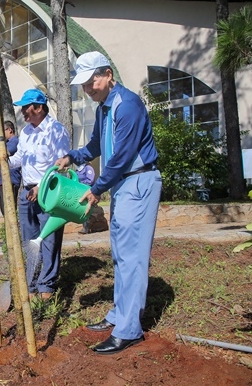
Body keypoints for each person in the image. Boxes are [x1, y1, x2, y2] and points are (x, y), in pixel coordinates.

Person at [56, 51, 161, 355]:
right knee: (120, 253)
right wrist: (71, 157)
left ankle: (129, 330)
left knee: (132, 257)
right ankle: (118, 315)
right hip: (123, 184)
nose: (88, 88)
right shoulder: (104, 108)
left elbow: (121, 157)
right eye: (84, 85)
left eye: (92, 81)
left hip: (138, 180)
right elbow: (96, 146)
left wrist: (97, 188)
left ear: (107, 74)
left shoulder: (127, 105)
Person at [0, 88, 71, 301]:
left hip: (48, 191)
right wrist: (4, 162)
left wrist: (41, 186)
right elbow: (19, 157)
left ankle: (46, 284)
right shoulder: (27, 132)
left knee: (48, 239)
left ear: (39, 107)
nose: (22, 112)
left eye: (26, 107)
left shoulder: (56, 131)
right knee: (29, 240)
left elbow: (61, 165)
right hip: (26, 192)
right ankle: (31, 283)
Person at [0, 120, 21, 215]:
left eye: (2, 131)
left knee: (10, 209)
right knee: (4, 210)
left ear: (9, 130)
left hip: (11, 179)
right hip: (3, 180)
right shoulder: (6, 142)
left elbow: (3, 153)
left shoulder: (14, 141)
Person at [76, 162, 96, 235]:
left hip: (88, 191)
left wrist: (81, 184)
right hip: (80, 192)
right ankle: (84, 226)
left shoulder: (88, 168)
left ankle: (86, 228)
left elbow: (90, 180)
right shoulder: (78, 170)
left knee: (86, 208)